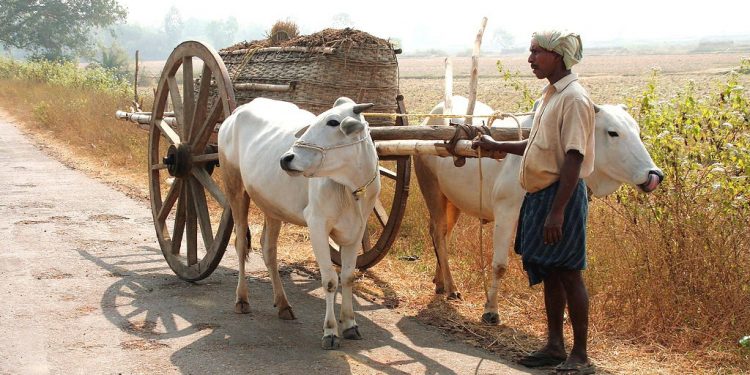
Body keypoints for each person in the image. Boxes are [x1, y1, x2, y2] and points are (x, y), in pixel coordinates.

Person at [472, 30, 596, 375]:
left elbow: (573, 157)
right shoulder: (549, 96)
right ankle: (555, 346)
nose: (530, 59)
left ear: (558, 55)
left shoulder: (573, 98)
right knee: (550, 273)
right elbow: (537, 144)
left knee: (569, 273)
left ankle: (581, 356)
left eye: (536, 52)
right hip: (541, 195)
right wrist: (497, 144)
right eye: (531, 52)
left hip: (562, 198)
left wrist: (557, 211)